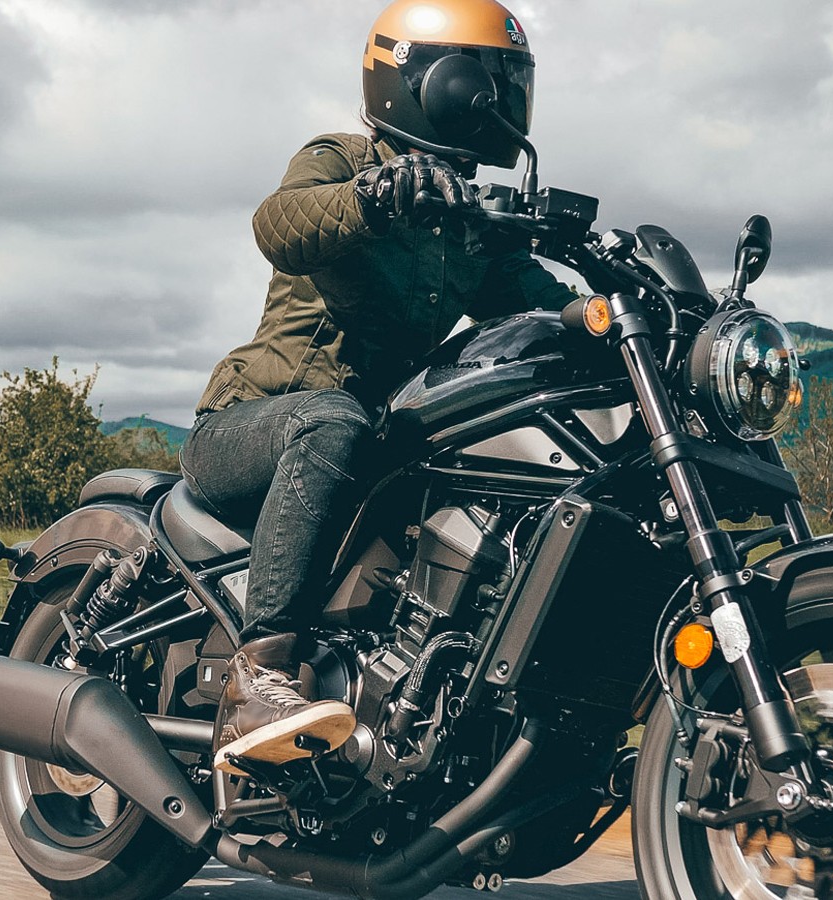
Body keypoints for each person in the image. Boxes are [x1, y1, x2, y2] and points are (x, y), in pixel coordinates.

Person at [179, 0, 575, 776]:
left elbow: (539, 303)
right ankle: (256, 682)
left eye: (508, 82)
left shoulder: (466, 223)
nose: (499, 98)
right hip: (251, 429)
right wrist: (374, 195)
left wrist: (614, 314)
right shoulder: (343, 159)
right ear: (431, 81)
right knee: (334, 419)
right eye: (484, 80)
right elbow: (279, 224)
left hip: (366, 456)